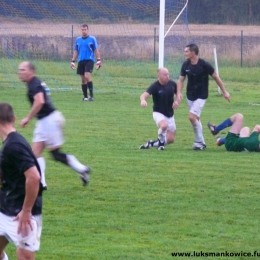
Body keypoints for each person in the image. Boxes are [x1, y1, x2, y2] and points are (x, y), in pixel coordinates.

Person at [18, 61, 91, 188]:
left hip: (49, 120)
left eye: (23, 70)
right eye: (20, 70)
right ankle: (42, 183)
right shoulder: (33, 83)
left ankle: (82, 169)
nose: (20, 72)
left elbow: (39, 101)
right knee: (35, 153)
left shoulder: (34, 84)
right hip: (45, 121)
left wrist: (28, 118)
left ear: (32, 71)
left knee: (55, 154)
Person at [0, 102, 43, 260]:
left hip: (23, 214)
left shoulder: (14, 145)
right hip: (7, 208)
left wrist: (26, 211)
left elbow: (34, 177)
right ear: (14, 118)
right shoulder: (8, 144)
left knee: (24, 257)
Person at [176, 43, 231, 150]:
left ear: (193, 52)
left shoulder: (204, 64)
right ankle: (201, 143)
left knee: (191, 117)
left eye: (186, 51)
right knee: (195, 118)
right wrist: (178, 93)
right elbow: (181, 80)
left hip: (201, 96)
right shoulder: (185, 65)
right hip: (190, 96)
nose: (185, 53)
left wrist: (225, 92)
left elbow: (216, 77)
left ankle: (199, 142)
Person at [139, 67, 178, 151]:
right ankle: (160, 142)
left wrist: (177, 101)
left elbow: (179, 94)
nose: (167, 76)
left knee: (171, 140)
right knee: (164, 125)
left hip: (170, 114)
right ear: (159, 75)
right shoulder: (155, 86)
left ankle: (151, 143)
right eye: (165, 75)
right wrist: (143, 101)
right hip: (158, 113)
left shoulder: (172, 84)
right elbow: (143, 95)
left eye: (168, 74)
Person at [71, 23, 101, 101]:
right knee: (83, 79)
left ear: (88, 30)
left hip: (89, 60)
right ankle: (85, 97)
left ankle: (91, 96)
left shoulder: (92, 39)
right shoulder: (78, 40)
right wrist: (73, 61)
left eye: (85, 29)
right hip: (81, 61)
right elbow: (76, 51)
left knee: (87, 76)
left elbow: (96, 50)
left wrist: (98, 60)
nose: (84, 31)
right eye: (82, 30)